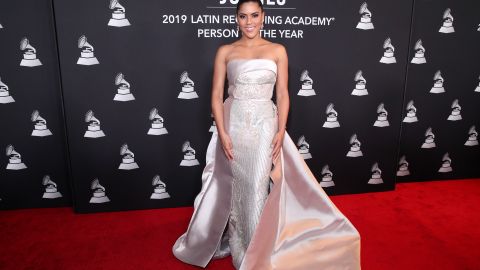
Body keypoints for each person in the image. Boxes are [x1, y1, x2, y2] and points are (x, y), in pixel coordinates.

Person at [173, 1, 361, 269]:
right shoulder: (226, 51)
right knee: (238, 185)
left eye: (254, 15)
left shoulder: (277, 51)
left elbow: (283, 94)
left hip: (264, 125)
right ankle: (241, 244)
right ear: (236, 19)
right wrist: (222, 132)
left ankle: (256, 250)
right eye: (243, 16)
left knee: (258, 184)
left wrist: (280, 128)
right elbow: (216, 96)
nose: (249, 22)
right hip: (235, 125)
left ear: (263, 16)